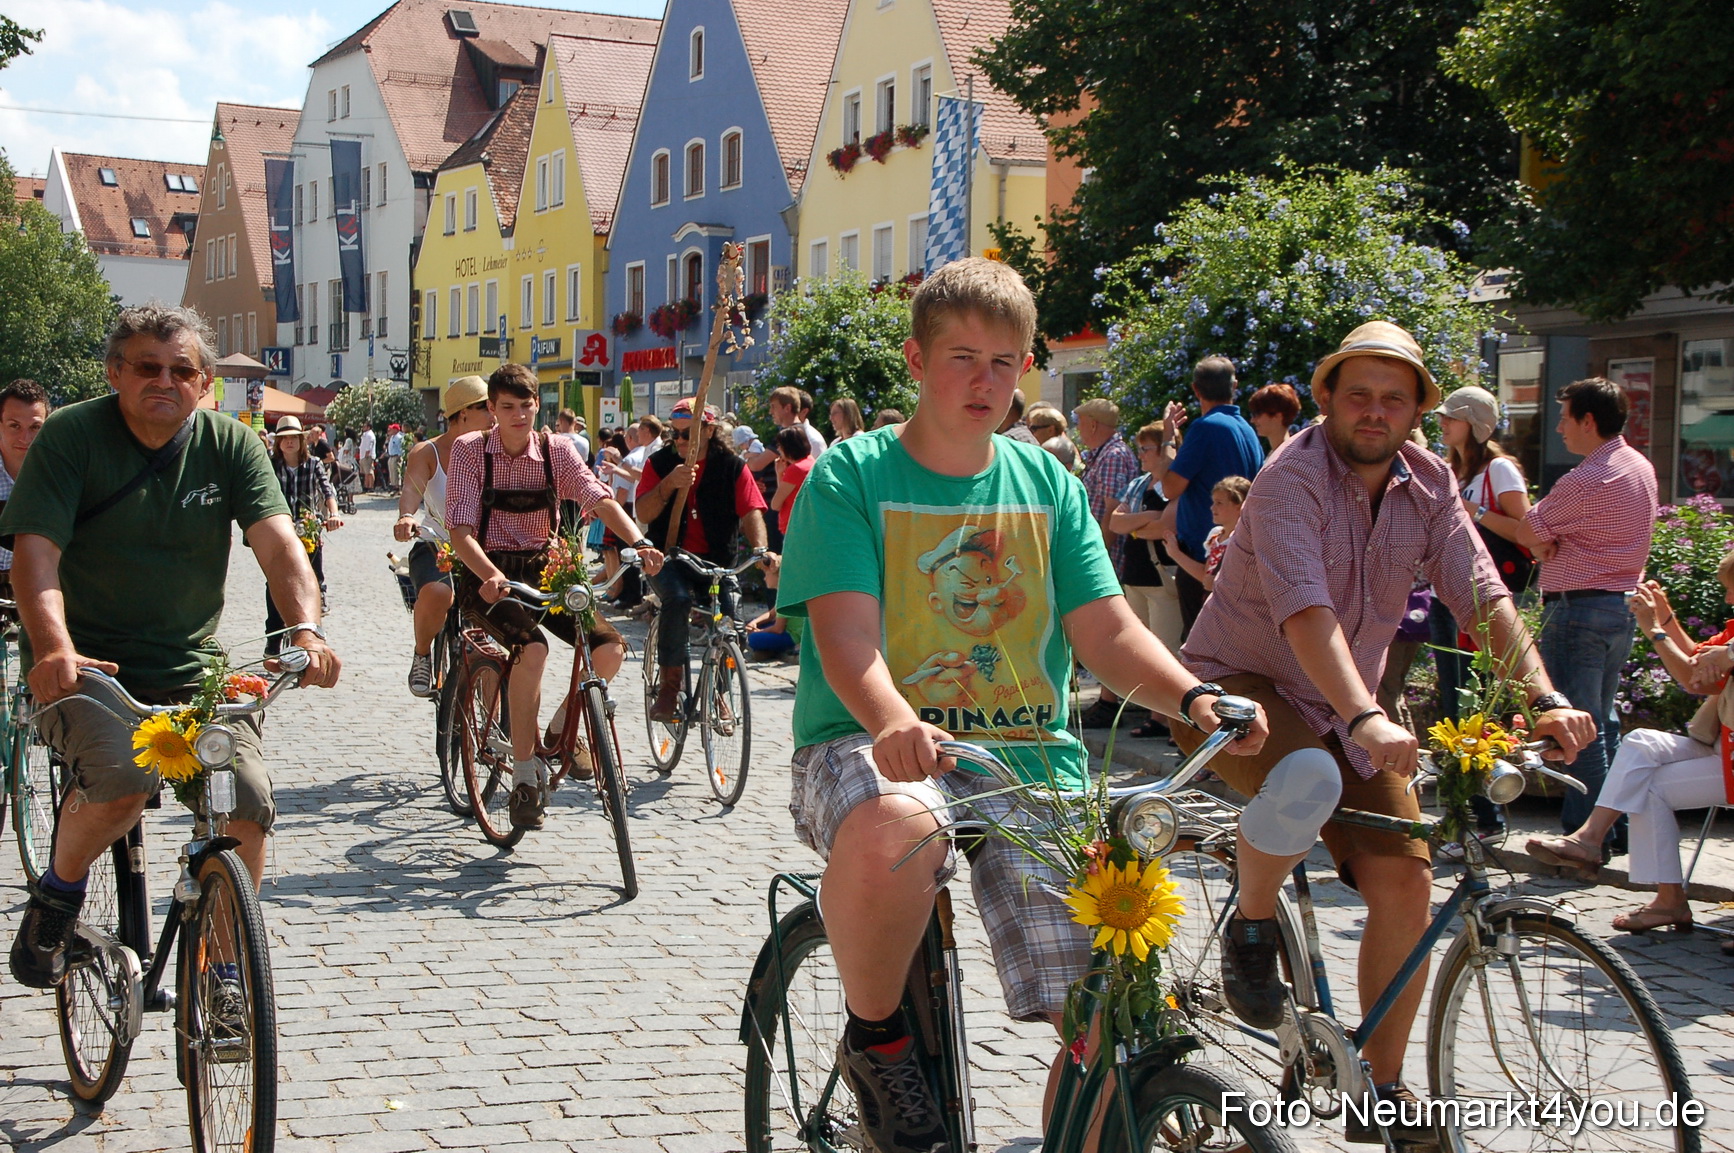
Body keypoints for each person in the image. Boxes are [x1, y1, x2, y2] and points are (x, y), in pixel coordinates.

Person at [776, 258, 1269, 1153]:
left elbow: (1108, 631)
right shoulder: (850, 474)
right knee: (902, 824)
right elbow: (846, 640)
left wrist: (1195, 695)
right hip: (868, 743)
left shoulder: (1047, 484)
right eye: (962, 355)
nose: (984, 380)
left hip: (1027, 760)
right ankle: (878, 1041)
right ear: (916, 359)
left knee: (1110, 1014)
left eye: (1004, 362)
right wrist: (894, 719)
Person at [1173, 320, 1594, 1141]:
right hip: (1238, 684)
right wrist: (1367, 715)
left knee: (1406, 879)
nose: (1375, 411)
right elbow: (1306, 613)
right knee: (1309, 779)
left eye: (1393, 398)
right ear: (1325, 396)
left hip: (1343, 700)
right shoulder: (1291, 476)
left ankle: (1381, 1088)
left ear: (1417, 412)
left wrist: (1543, 694)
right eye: (1358, 394)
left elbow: (1482, 594)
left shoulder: (1429, 480)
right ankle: (1253, 922)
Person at [5, 304, 342, 989]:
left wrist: (305, 627)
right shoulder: (71, 437)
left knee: (245, 801)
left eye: (181, 369)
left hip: (195, 671)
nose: (165, 380)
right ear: (115, 372)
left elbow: (280, 545)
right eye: (146, 367)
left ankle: (222, 971)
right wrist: (52, 647)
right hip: (91, 668)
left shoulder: (231, 444)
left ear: (206, 380)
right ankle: (58, 892)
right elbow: (35, 555)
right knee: (124, 780)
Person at [445, 364, 665, 830]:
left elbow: (597, 497)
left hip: (547, 570)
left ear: (536, 406)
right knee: (534, 649)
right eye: (508, 408)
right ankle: (525, 780)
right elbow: (461, 531)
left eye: (526, 406)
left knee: (609, 648)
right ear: (492, 410)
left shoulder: (555, 450)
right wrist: (488, 574)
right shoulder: (470, 452)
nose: (519, 416)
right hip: (489, 573)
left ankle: (562, 728)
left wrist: (638, 542)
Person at [1528, 567, 1734, 951]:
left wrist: (1655, 629)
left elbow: (1694, 679)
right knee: (1640, 748)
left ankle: (1599, 848)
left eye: (1730, 590)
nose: (1726, 600)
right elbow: (1700, 660)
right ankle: (1605, 849)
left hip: (1730, 761)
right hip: (1723, 752)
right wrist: (1665, 617)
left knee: (1647, 780)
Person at [1494, 377, 1657, 849]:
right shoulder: (1638, 465)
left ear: (1589, 420)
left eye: (1566, 417)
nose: (1560, 427)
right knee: (1603, 722)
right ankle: (1611, 831)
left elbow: (1528, 530)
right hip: (1617, 606)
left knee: (1577, 727)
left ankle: (1585, 838)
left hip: (1578, 609)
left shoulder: (1587, 478)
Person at [637, 398, 771, 720]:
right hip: (667, 559)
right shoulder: (659, 463)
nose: (681, 441)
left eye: (688, 434)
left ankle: (718, 691)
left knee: (730, 620)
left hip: (716, 563)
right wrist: (669, 484)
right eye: (676, 434)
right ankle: (670, 688)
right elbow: (643, 512)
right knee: (678, 600)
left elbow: (751, 510)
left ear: (709, 431)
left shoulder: (732, 466)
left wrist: (761, 551)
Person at [395, 376, 495, 696]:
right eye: (486, 408)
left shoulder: (495, 450)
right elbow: (412, 490)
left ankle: (494, 730)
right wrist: (407, 516)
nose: (493, 415)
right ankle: (423, 653)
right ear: (462, 414)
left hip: (482, 549)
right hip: (436, 544)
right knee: (439, 593)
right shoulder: (428, 452)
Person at [1162, 355, 1264, 632]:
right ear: (1234, 386)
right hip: (1240, 553)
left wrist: (1168, 438)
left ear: (1196, 390)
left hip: (1204, 557)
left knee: (1198, 648)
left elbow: (1170, 488)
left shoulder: (1206, 427)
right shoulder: (1248, 430)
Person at [1107, 419, 1185, 739]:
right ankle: (1156, 716)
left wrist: (1134, 525)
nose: (1141, 455)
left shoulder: (1175, 486)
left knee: (1167, 652)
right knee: (1143, 651)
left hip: (1163, 579)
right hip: (1135, 577)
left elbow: (1168, 526)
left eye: (1147, 449)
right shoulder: (1139, 485)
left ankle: (1174, 720)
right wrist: (1145, 521)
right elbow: (1115, 522)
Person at [1074, 397, 1140, 727]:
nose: (1078, 428)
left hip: (1109, 556)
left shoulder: (1113, 456)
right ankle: (1107, 697)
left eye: (1081, 421)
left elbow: (1111, 509)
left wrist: (1096, 560)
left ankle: (1109, 700)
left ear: (1094, 425)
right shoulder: (1103, 454)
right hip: (1106, 554)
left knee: (1107, 627)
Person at [265, 416, 342, 648]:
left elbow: (327, 491)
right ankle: (273, 638)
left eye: (293, 438)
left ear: (301, 441)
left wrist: (334, 514)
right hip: (280, 529)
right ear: (278, 443)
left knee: (313, 569)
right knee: (274, 583)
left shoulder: (313, 464)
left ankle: (320, 594)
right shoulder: (271, 465)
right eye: (284, 439)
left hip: (307, 524)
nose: (289, 443)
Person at [749, 427, 815, 655]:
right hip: (806, 531)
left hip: (793, 530)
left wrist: (779, 474)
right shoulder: (812, 463)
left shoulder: (796, 469)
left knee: (788, 580)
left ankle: (788, 632)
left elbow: (776, 503)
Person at [0, 378, 50, 600]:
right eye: (14, 426)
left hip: (39, 592)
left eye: (35, 427)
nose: (25, 438)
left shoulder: (60, 478)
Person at [1165, 475, 1249, 594]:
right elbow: (1206, 576)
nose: (1212, 507)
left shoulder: (1244, 541)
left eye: (1219, 503)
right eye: (1213, 502)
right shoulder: (1216, 535)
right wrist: (1174, 553)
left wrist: (1176, 554)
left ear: (1240, 506)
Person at [1245, 382, 1301, 456]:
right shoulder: (1274, 453)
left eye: (1257, 414)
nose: (1252, 420)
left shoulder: (1290, 457)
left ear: (1278, 416)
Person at [357, 423, 377, 492]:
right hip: (363, 456)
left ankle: (371, 486)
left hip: (367, 456)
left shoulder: (370, 435)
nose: (363, 427)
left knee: (369, 472)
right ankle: (366, 485)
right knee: (366, 472)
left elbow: (370, 445)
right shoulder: (365, 435)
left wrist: (367, 453)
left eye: (364, 426)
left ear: (368, 427)